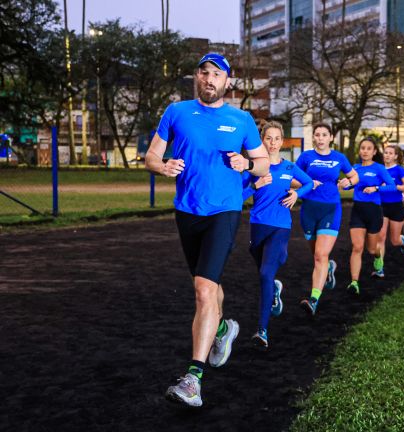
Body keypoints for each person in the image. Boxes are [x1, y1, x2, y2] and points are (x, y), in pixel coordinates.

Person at [145, 53, 269, 408]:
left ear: (228, 82)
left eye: (217, 74)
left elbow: (262, 164)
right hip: (188, 211)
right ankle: (225, 328)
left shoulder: (241, 119)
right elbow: (152, 156)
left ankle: (193, 379)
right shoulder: (176, 112)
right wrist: (162, 165)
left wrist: (248, 162)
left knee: (202, 289)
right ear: (196, 78)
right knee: (207, 284)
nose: (209, 78)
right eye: (204, 73)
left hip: (224, 210)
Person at [242, 121, 313, 349]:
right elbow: (238, 197)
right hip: (257, 225)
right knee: (265, 271)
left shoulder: (290, 167)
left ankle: (262, 330)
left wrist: (296, 194)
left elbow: (309, 182)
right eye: (268, 138)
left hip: (281, 226)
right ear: (261, 140)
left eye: (276, 139)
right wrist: (255, 185)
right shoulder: (254, 169)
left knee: (265, 273)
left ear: (282, 142)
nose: (272, 143)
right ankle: (275, 290)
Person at [296, 123, 358, 315]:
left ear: (331, 137)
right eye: (317, 135)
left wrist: (348, 182)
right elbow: (292, 178)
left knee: (320, 255)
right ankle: (329, 269)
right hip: (308, 210)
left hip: (331, 209)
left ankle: (314, 299)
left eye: (324, 135)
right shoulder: (306, 157)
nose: (320, 138)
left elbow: (354, 176)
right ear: (314, 137)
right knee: (316, 254)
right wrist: (306, 182)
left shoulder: (339, 158)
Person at [346, 138, 397, 294]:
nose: (365, 151)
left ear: (374, 152)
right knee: (357, 247)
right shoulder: (355, 168)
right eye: (362, 148)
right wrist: (345, 183)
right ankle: (354, 282)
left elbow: (392, 186)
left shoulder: (379, 168)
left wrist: (376, 188)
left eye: (369, 148)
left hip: (374, 212)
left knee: (371, 248)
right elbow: (350, 184)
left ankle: (377, 258)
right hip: (358, 211)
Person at [378, 144, 404, 257]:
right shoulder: (379, 168)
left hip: (396, 207)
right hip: (381, 206)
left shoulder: (399, 170)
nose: (387, 155)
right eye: (385, 152)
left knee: (394, 240)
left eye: (390, 153)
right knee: (381, 237)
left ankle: (402, 241)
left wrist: (393, 186)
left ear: (395, 156)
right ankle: (379, 268)